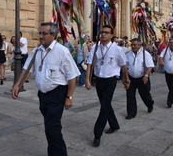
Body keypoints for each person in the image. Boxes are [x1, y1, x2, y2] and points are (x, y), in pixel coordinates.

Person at [12, 22, 80, 156]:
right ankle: (53, 152)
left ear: (53, 35)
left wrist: (69, 97)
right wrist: (17, 84)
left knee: (52, 127)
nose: (40, 36)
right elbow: (27, 68)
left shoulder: (62, 51)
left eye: (44, 33)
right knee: (50, 127)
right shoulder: (37, 50)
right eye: (40, 33)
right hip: (43, 94)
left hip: (57, 94)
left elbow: (72, 76)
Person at [85, 25, 130, 147]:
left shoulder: (117, 49)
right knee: (106, 104)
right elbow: (89, 64)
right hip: (99, 80)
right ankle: (114, 125)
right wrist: (87, 80)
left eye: (107, 32)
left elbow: (123, 66)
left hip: (111, 81)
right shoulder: (95, 48)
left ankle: (97, 134)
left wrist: (126, 80)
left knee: (104, 107)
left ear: (111, 35)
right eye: (102, 32)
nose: (104, 34)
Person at [125, 38, 154, 120]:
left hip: (142, 78)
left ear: (140, 45)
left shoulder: (146, 54)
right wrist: (126, 77)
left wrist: (146, 75)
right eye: (132, 45)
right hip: (131, 78)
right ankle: (131, 113)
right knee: (130, 95)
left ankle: (150, 104)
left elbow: (150, 66)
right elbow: (125, 66)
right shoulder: (128, 54)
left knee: (145, 95)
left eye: (135, 45)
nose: (133, 46)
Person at [159, 38, 173, 108]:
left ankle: (169, 101)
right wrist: (161, 62)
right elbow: (160, 57)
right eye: (170, 42)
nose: (172, 44)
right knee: (170, 86)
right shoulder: (165, 50)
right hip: (168, 72)